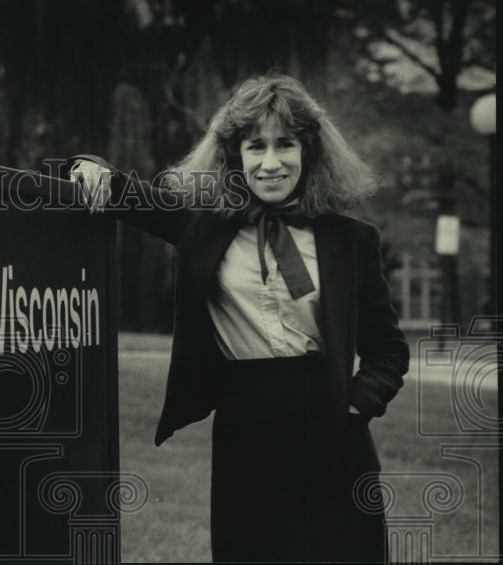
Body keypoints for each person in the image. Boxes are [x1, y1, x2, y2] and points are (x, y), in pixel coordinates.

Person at [68, 73, 409, 563]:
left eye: (285, 144)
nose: (270, 163)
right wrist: (90, 166)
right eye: (255, 147)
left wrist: (357, 405)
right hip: (244, 428)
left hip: (334, 432)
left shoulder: (353, 240)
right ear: (234, 156)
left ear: (309, 152)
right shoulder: (202, 226)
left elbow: (389, 350)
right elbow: (125, 192)